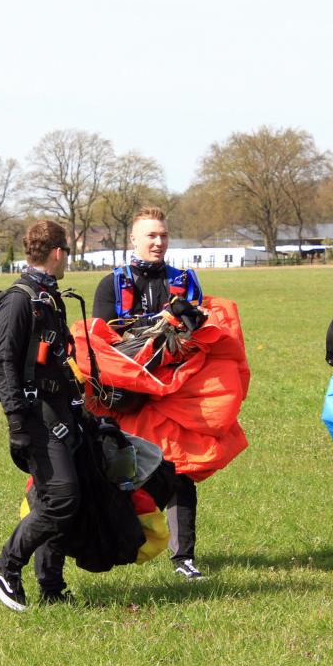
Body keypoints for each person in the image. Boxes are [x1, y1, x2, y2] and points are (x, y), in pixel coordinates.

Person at [91, 206, 208, 579]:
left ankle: (183, 557)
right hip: (128, 395)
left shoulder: (185, 281)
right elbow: (101, 339)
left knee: (180, 469)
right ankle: (116, 542)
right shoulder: (112, 285)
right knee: (120, 468)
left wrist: (189, 321)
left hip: (173, 393)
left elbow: (203, 334)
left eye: (163, 235)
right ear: (133, 240)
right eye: (151, 236)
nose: (158, 242)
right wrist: (156, 325)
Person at [0, 220, 81, 611]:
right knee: (62, 497)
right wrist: (16, 423)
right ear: (57, 252)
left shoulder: (49, 296)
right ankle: (5, 566)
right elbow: (5, 363)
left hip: (60, 409)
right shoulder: (20, 299)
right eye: (67, 252)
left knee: (51, 497)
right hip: (35, 416)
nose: (68, 258)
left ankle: (51, 586)